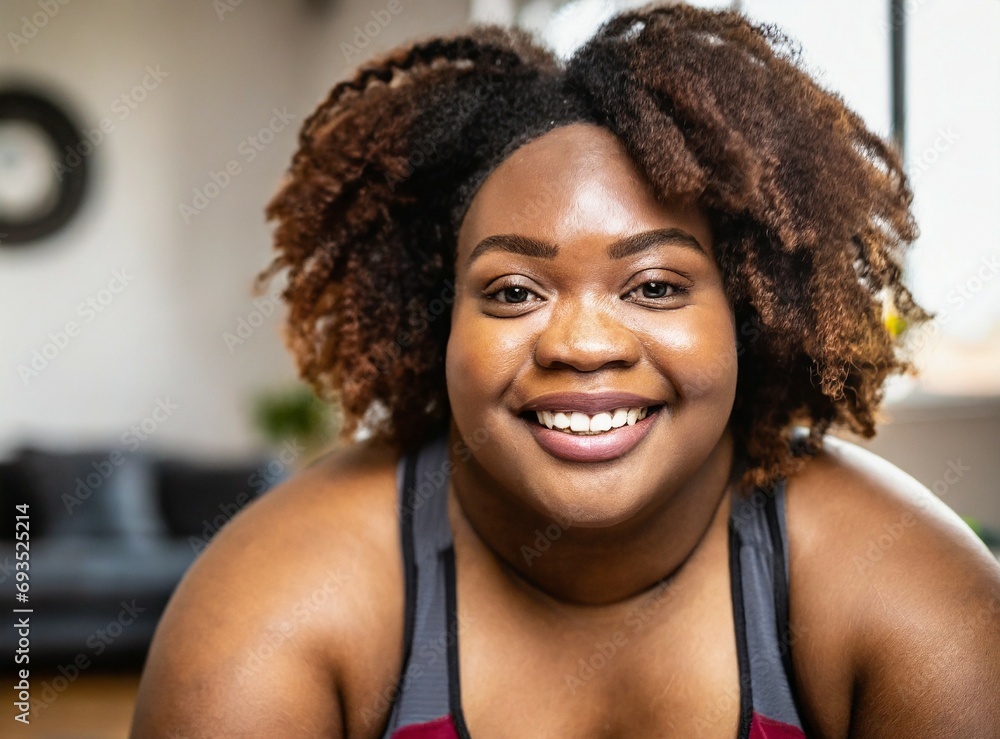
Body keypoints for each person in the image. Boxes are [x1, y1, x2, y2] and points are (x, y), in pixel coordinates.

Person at [130, 3, 1000, 737]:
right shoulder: (271, 604)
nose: (583, 344)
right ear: (440, 318)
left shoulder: (916, 598)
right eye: (512, 292)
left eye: (655, 285)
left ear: (748, 310)